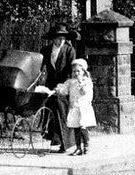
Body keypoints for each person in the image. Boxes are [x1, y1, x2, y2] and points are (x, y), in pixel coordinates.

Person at [39, 22, 77, 153]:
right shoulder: (46, 50)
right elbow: (40, 67)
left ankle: (66, 144)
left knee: (62, 111)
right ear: (53, 38)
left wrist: (63, 86)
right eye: (58, 38)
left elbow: (71, 71)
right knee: (50, 109)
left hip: (65, 85)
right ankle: (55, 139)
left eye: (63, 38)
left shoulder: (69, 50)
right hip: (50, 85)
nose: (61, 41)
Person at [53, 59, 95, 156]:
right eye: (74, 71)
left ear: (83, 71)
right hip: (74, 107)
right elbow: (64, 90)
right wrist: (57, 90)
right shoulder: (70, 82)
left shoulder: (86, 82)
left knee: (82, 126)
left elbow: (84, 92)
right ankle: (78, 147)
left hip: (83, 108)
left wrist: (80, 83)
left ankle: (86, 146)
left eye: (78, 71)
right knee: (76, 128)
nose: (76, 73)